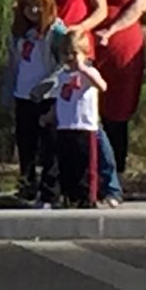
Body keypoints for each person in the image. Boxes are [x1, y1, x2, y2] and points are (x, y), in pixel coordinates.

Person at [87, 0, 146, 175]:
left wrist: (112, 30)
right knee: (87, 115)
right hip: (89, 52)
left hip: (123, 51)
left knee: (117, 116)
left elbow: (140, 2)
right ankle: (89, 176)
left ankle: (115, 176)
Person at [8, 0, 60, 201]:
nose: (33, 10)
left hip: (47, 97)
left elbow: (65, 66)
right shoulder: (21, 33)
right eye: (28, 6)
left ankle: (50, 191)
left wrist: (48, 87)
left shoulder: (57, 32)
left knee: (49, 147)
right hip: (23, 96)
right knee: (26, 145)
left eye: (38, 5)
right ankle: (27, 186)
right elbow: (15, 63)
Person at [49, 28, 108, 207]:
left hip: (85, 126)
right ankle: (69, 195)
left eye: (74, 53)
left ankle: (87, 197)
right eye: (65, 53)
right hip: (65, 126)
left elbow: (102, 86)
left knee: (86, 165)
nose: (70, 57)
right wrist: (50, 115)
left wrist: (83, 69)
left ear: (84, 53)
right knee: (67, 163)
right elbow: (58, 98)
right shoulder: (61, 76)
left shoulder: (89, 73)